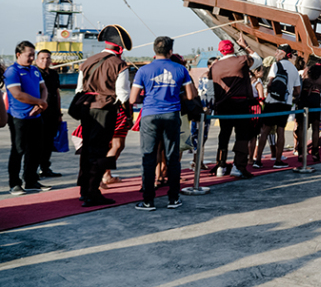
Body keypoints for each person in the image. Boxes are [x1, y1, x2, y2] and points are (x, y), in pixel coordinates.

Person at [130, 36, 196, 211]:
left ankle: (148, 201)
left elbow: (132, 99)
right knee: (172, 157)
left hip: (150, 115)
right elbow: (190, 95)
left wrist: (149, 97)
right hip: (171, 115)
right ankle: (173, 199)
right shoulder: (180, 69)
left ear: (154, 50)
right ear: (170, 51)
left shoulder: (143, 70)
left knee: (148, 157)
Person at [75, 25, 132, 207]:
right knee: (100, 151)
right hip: (105, 110)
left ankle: (84, 190)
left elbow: (79, 89)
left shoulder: (88, 61)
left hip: (86, 109)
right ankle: (93, 192)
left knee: (87, 150)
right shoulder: (119, 64)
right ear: (120, 47)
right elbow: (123, 95)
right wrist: (128, 115)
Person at [205, 33, 260, 179]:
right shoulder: (242, 60)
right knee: (242, 135)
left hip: (223, 106)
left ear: (220, 51)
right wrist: (245, 46)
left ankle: (221, 165)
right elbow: (258, 60)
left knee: (224, 134)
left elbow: (210, 91)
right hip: (241, 104)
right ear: (233, 49)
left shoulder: (214, 67)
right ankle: (238, 166)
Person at [5, 41, 50, 196]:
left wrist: (41, 103)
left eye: (33, 55)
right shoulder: (12, 71)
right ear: (18, 54)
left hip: (36, 116)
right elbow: (17, 94)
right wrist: (40, 102)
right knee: (18, 150)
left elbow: (43, 88)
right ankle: (14, 183)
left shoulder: (35, 70)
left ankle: (31, 180)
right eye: (29, 55)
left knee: (36, 149)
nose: (32, 58)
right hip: (19, 117)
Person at [256, 45, 301, 168]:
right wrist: (288, 93)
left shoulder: (276, 65)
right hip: (285, 104)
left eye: (277, 52)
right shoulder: (294, 69)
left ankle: (258, 160)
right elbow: (297, 90)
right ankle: (278, 160)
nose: (275, 54)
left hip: (272, 102)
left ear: (284, 53)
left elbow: (270, 84)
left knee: (265, 130)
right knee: (280, 131)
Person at [35, 49, 63, 178]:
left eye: (48, 58)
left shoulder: (53, 74)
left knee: (49, 141)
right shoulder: (35, 73)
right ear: (37, 60)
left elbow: (57, 93)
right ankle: (33, 169)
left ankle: (45, 168)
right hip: (40, 112)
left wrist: (59, 113)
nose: (45, 61)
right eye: (42, 58)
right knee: (37, 142)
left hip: (52, 112)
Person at [295, 61, 321, 162]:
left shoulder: (307, 73)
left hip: (304, 98)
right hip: (315, 97)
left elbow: (302, 82)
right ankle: (315, 152)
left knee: (301, 127)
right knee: (315, 127)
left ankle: (301, 152)